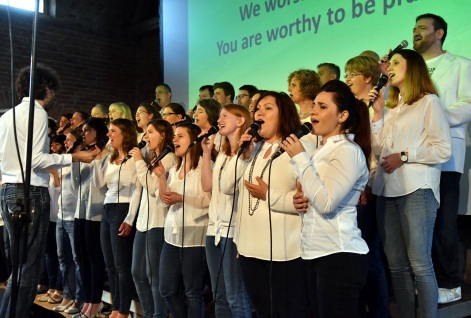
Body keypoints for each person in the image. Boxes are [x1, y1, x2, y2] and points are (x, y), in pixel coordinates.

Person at [0, 64, 97, 318]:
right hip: (30, 191)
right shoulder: (38, 113)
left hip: (8, 191)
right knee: (29, 268)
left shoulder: (6, 116)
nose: (54, 96)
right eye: (53, 90)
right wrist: (74, 157)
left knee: (20, 266)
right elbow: (37, 160)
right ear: (46, 88)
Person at [370, 49, 452, 317]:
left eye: (395, 63)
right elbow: (379, 149)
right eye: (389, 64)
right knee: (396, 266)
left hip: (417, 190)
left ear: (413, 67)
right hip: (387, 191)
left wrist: (405, 155)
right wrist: (377, 116)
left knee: (419, 264)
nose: (389, 68)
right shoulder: (393, 108)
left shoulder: (429, 102)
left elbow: (443, 150)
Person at [282, 80, 371, 317]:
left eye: (322, 107)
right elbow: (316, 198)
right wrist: (300, 200)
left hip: (339, 255)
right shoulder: (322, 151)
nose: (313, 111)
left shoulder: (347, 151)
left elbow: (327, 203)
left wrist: (300, 158)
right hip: (315, 252)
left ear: (342, 115)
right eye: (313, 106)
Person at [221, 91, 312, 317]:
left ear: (284, 114)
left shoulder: (299, 147)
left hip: (285, 251)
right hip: (249, 250)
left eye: (268, 108)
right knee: (262, 311)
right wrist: (241, 155)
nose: (259, 112)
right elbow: (226, 186)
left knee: (287, 311)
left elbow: (304, 200)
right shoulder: (254, 150)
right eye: (258, 108)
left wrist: (269, 194)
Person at [412, 13, 471, 304]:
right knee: (422, 223)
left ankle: (452, 283)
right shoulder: (411, 70)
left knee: (445, 221)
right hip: (415, 157)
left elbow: (468, 105)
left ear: (440, 33)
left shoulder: (460, 65)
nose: (415, 32)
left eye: (422, 28)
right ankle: (427, 280)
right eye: (414, 28)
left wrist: (434, 116)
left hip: (446, 155)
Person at [344, 55, 389, 317]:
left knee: (369, 257)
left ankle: (380, 312)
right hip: (346, 192)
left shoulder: (376, 108)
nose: (348, 78)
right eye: (347, 73)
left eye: (353, 74)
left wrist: (369, 186)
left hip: (365, 193)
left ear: (369, 78)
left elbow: (377, 153)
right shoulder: (350, 107)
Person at [153, 123, 211, 318]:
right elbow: (165, 199)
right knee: (167, 288)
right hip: (172, 234)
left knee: (193, 292)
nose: (174, 140)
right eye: (174, 136)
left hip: (194, 235)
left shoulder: (204, 165)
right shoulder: (176, 168)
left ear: (193, 141)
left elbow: (210, 201)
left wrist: (182, 198)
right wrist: (161, 178)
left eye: (180, 136)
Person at [201, 104, 253, 317]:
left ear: (240, 121)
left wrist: (240, 153)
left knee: (236, 297)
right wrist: (206, 153)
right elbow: (208, 187)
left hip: (233, 232)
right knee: (219, 295)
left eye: (225, 116)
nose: (219, 120)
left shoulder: (248, 154)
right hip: (214, 229)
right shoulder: (223, 154)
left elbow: (228, 187)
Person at [129, 119, 175, 318]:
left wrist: (140, 161)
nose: (146, 137)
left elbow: (154, 188)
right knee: (137, 273)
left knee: (154, 276)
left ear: (163, 135)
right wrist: (138, 161)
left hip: (158, 222)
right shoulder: (151, 156)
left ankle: (158, 315)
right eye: (145, 133)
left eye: (150, 132)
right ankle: (148, 314)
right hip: (143, 222)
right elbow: (136, 182)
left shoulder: (169, 158)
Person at [93, 118, 138, 318]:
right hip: (108, 208)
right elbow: (100, 184)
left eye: (113, 131)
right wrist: (96, 162)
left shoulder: (134, 158)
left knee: (121, 264)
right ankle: (116, 306)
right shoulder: (109, 159)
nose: (109, 135)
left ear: (124, 134)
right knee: (109, 262)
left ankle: (123, 309)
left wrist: (129, 218)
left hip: (124, 208)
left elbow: (138, 189)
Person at [71, 117, 109, 318]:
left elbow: (102, 185)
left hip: (97, 214)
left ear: (96, 132)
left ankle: (95, 302)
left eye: (87, 130)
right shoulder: (84, 155)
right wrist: (76, 159)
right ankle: (86, 299)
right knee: (81, 257)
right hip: (81, 212)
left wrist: (96, 159)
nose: (83, 134)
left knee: (95, 259)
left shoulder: (105, 154)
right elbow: (74, 185)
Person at [53, 130, 84, 315]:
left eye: (71, 140)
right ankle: (67, 294)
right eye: (66, 140)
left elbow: (74, 187)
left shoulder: (78, 162)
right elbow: (58, 187)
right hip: (60, 215)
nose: (67, 143)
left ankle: (78, 297)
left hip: (74, 216)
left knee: (76, 259)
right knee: (63, 258)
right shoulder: (64, 161)